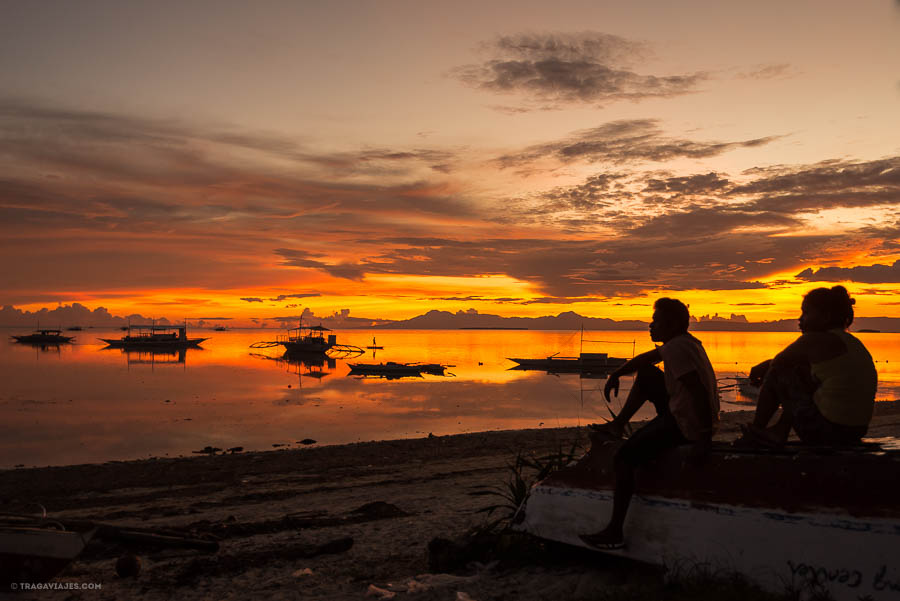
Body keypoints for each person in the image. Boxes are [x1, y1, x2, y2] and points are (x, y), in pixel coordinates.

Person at [579, 297, 718, 550]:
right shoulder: (684, 343)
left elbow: (697, 392)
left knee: (624, 457)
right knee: (647, 374)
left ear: (673, 323)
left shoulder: (677, 349)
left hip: (685, 423)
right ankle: (618, 424)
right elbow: (646, 360)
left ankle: (615, 531)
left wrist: (705, 437)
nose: (650, 325)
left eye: (655, 321)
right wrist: (618, 373)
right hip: (683, 413)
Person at [740, 286, 877, 447]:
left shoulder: (814, 339)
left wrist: (760, 369)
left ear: (825, 317)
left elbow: (778, 364)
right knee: (802, 372)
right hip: (855, 431)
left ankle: (757, 430)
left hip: (826, 432)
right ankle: (780, 430)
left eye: (806, 313)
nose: (800, 319)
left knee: (779, 373)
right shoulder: (850, 342)